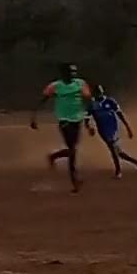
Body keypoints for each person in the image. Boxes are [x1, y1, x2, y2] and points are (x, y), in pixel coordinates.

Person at [31, 63, 93, 192]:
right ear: (64, 73)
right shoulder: (55, 86)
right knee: (72, 150)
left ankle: (54, 157)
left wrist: (88, 121)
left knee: (73, 149)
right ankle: (74, 180)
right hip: (64, 120)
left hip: (77, 119)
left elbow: (89, 101)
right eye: (71, 72)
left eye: (75, 72)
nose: (73, 74)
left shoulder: (80, 84)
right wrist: (34, 116)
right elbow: (42, 100)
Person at [87, 85, 137, 179]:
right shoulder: (92, 105)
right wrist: (89, 127)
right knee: (119, 153)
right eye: (97, 92)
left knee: (113, 148)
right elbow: (87, 119)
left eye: (100, 92)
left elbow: (120, 114)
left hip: (113, 128)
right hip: (102, 130)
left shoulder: (110, 101)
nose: (99, 94)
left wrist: (127, 127)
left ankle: (118, 171)